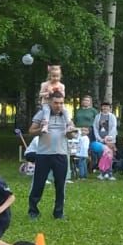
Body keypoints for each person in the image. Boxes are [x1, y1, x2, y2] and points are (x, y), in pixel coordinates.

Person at [26, 88, 73, 220]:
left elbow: (71, 135)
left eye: (61, 103)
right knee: (38, 184)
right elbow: (31, 131)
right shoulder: (42, 114)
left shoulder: (66, 116)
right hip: (43, 154)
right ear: (50, 103)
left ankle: (58, 213)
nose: (58, 105)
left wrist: (70, 132)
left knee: (60, 185)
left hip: (61, 155)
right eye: (56, 103)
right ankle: (33, 211)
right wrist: (42, 129)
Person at [72, 95, 99, 176]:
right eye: (84, 100)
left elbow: (97, 122)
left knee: (88, 150)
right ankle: (77, 167)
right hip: (78, 130)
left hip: (89, 131)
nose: (86, 102)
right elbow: (74, 121)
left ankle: (90, 168)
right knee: (77, 149)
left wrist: (89, 130)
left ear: (90, 102)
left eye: (88, 100)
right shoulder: (78, 111)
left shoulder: (93, 111)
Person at [94, 101, 119, 179]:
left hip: (110, 140)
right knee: (101, 156)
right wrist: (99, 138)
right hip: (100, 140)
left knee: (109, 156)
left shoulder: (112, 116)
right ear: (101, 107)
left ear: (109, 108)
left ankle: (109, 173)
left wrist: (108, 138)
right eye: (104, 106)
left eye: (107, 106)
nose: (105, 108)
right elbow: (95, 127)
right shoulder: (98, 116)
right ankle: (102, 173)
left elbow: (114, 127)